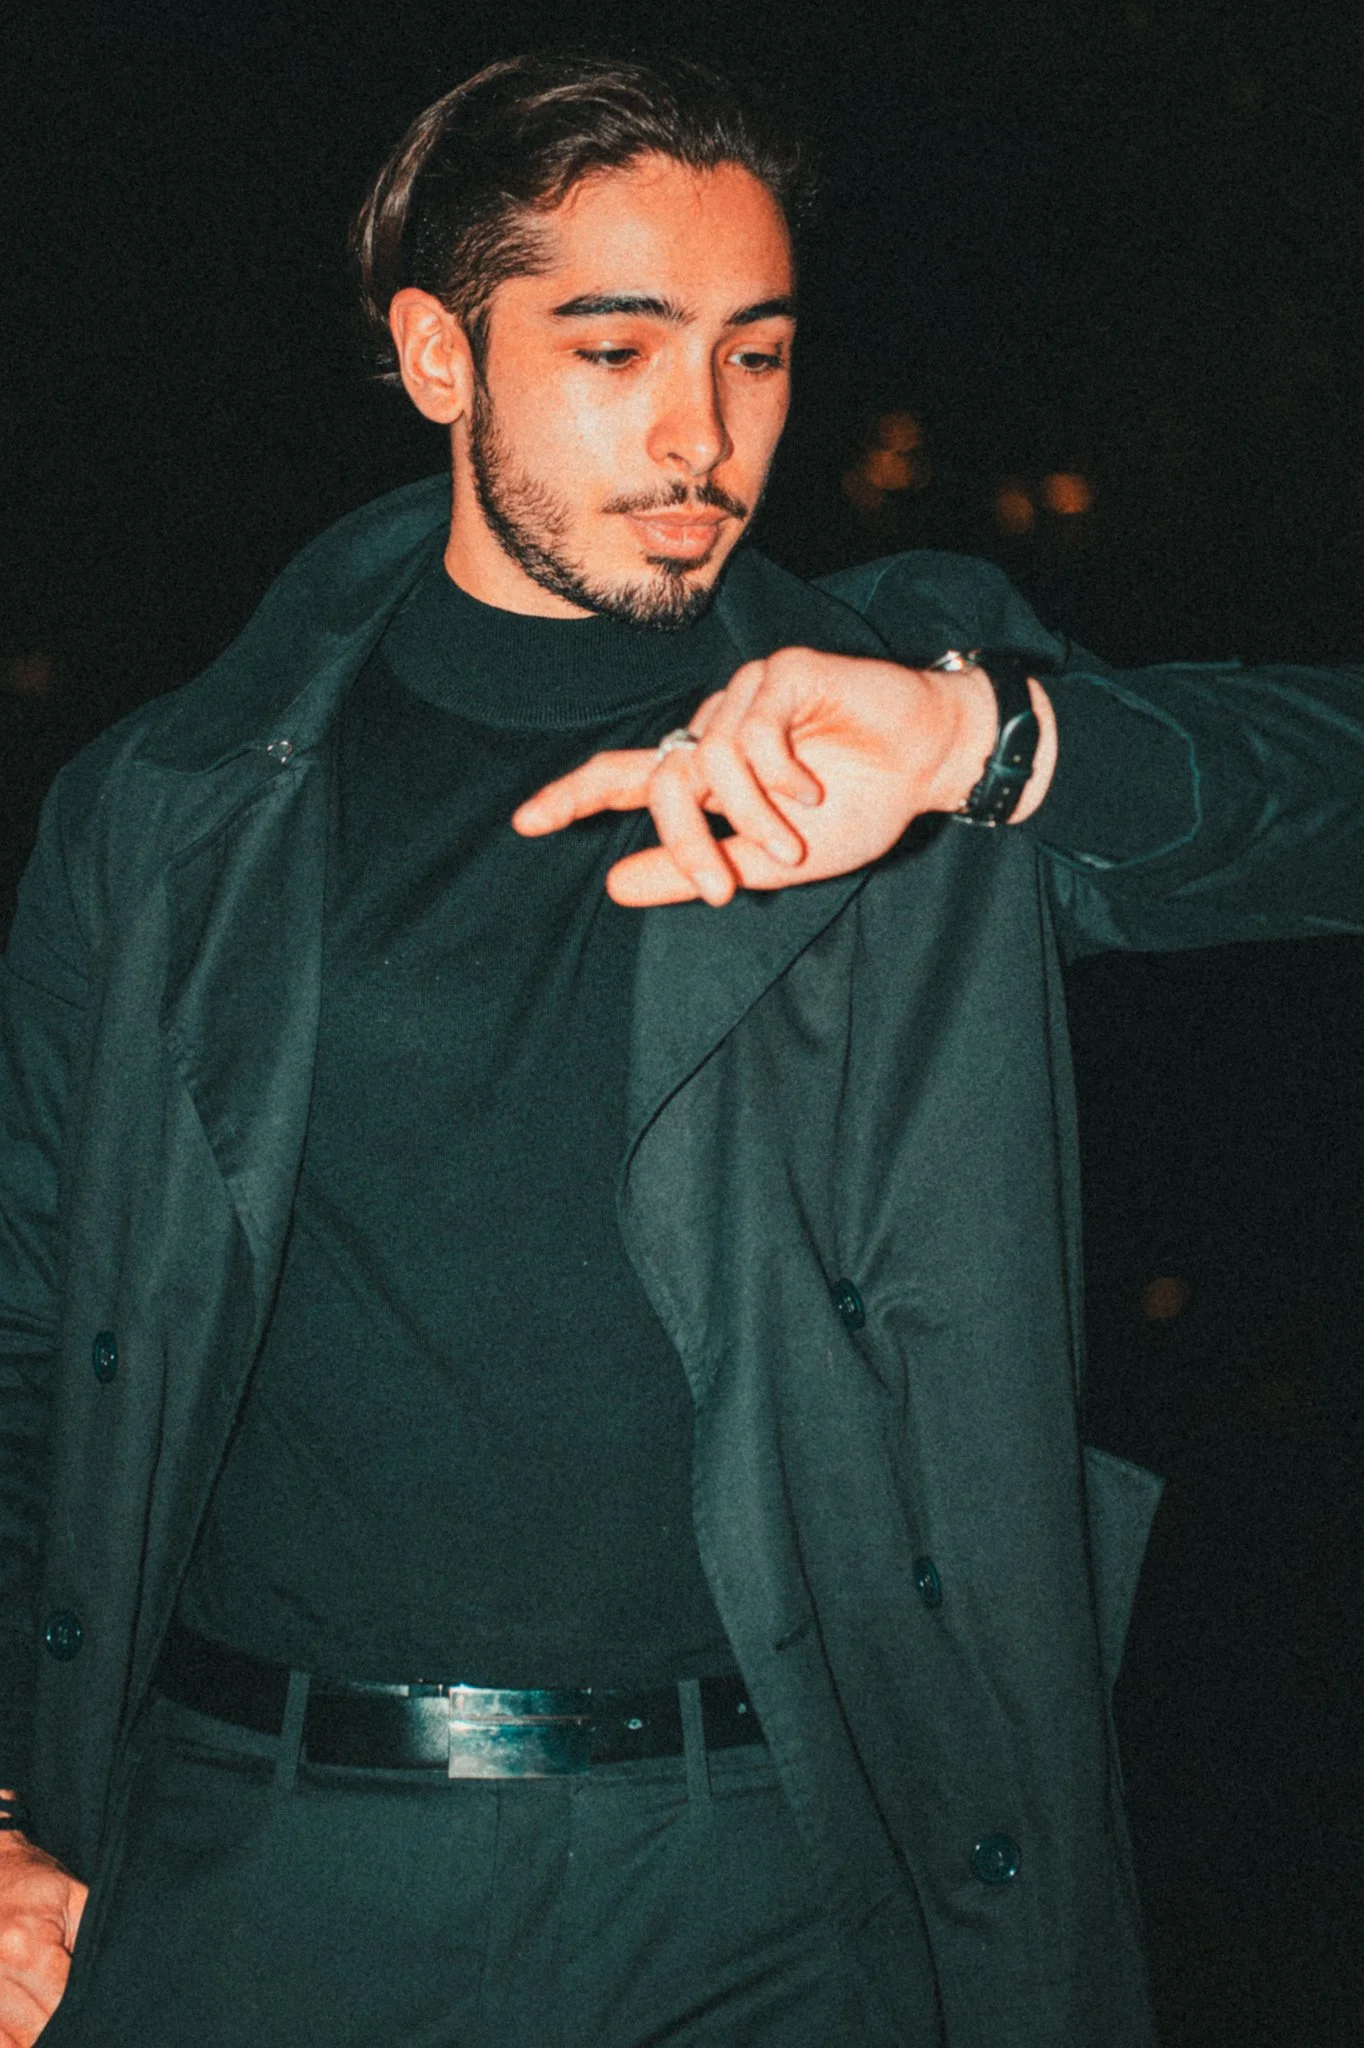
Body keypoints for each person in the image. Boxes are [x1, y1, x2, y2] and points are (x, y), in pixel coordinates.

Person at [2, 51, 1362, 2048]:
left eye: (755, 353)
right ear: (435, 355)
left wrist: (982, 746)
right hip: (263, 1859)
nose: (702, 433)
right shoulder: (174, 810)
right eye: (616, 349)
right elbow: (29, 1332)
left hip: (783, 1867)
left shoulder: (888, 722)